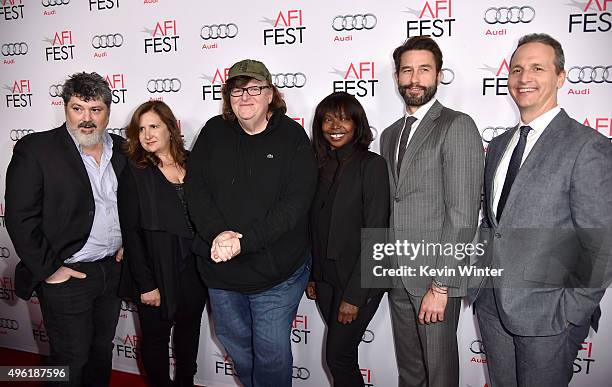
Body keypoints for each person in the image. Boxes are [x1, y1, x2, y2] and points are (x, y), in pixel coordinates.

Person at [470, 33, 612, 387]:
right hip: (491, 304)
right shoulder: (500, 144)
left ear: (560, 77)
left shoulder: (587, 146)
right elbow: (494, 223)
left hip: (549, 316)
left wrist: (571, 312)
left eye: (537, 68)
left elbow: (602, 242)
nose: (524, 78)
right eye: (517, 69)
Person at [184, 59, 317, 387]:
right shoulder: (214, 131)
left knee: (271, 354)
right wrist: (218, 234)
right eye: (237, 90)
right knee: (236, 346)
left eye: (254, 89)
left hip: (276, 272)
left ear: (270, 94)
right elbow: (196, 189)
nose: (245, 97)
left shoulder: (292, 137)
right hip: (221, 269)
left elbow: (294, 206)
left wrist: (244, 242)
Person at [5, 72, 127, 387]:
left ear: (108, 111)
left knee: (101, 351)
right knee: (69, 358)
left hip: (112, 272)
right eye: (78, 108)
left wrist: (129, 243)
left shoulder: (124, 149)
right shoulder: (36, 149)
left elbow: (135, 205)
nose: (87, 119)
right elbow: (20, 217)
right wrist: (51, 270)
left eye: (95, 109)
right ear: (65, 108)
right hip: (67, 276)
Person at [379, 36, 484, 387]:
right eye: (406, 70)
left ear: (439, 75)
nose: (414, 78)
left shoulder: (457, 125)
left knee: (439, 373)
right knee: (410, 371)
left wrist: (441, 286)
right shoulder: (391, 134)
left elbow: (463, 215)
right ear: (397, 77)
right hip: (397, 272)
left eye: (424, 69)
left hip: (434, 278)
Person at [117, 101, 207, 387]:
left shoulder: (194, 163)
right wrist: (145, 284)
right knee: (155, 338)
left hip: (195, 267)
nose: (147, 135)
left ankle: (185, 382)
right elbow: (131, 232)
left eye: (153, 126)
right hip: (155, 269)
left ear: (171, 128)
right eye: (141, 129)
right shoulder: (135, 171)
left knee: (189, 332)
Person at [306, 92, 389, 386]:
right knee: (344, 356)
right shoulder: (318, 166)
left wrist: (355, 296)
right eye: (327, 119)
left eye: (343, 117)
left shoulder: (372, 165)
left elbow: (378, 233)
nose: (334, 125)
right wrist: (314, 276)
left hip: (360, 280)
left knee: (337, 357)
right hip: (326, 279)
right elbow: (313, 227)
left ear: (357, 123)